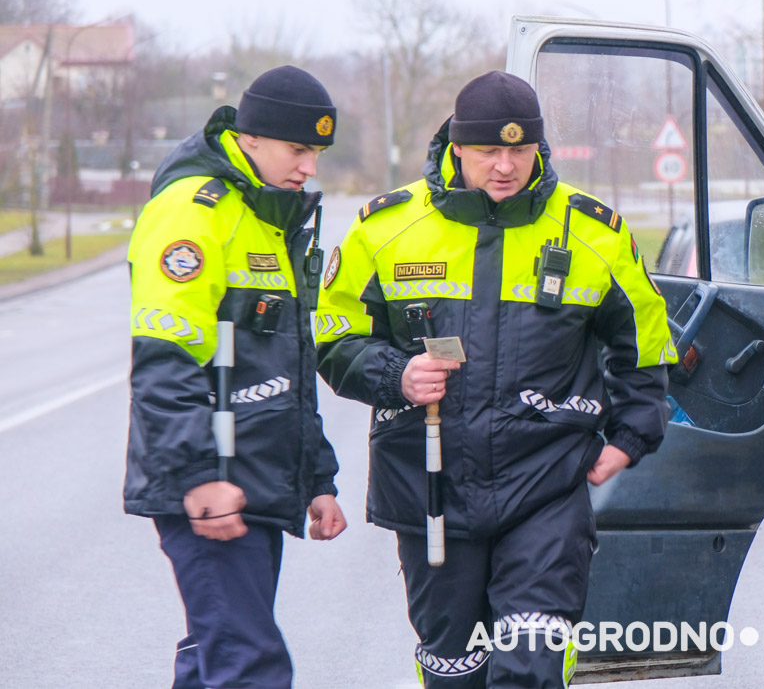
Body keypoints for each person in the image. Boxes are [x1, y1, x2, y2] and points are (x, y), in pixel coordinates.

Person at [316, 71, 675, 687]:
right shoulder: (387, 228)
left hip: (547, 490)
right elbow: (331, 337)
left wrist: (632, 436)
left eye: (520, 150)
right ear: (457, 147)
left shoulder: (594, 234)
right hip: (428, 488)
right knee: (455, 671)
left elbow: (645, 341)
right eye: (488, 151)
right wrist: (396, 374)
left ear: (539, 149)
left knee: (530, 666)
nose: (505, 166)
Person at [124, 65, 348, 689]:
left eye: (317, 153)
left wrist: (317, 479)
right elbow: (165, 364)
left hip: (253, 482)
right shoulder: (195, 213)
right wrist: (198, 477)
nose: (309, 167)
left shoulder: (268, 218)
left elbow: (286, 368)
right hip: (210, 482)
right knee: (248, 665)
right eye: (298, 149)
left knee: (218, 658)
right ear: (249, 138)